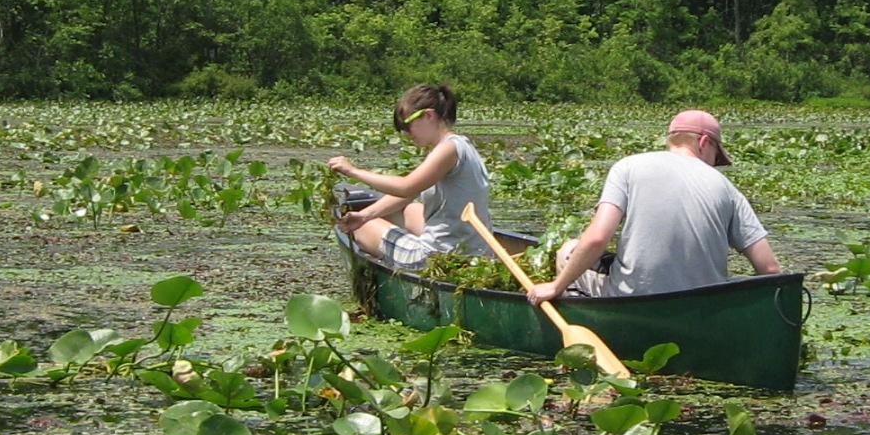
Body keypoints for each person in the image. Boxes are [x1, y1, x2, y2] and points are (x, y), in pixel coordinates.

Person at [528, 109, 782, 301]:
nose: (713, 164)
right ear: (705, 142)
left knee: (568, 250)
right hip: (704, 306)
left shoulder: (628, 166)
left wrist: (555, 286)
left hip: (634, 299)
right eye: (716, 157)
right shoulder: (728, 190)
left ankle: (592, 325)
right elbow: (769, 269)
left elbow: (596, 239)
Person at [330, 83, 492, 271]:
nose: (406, 134)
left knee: (363, 229)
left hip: (439, 259)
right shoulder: (460, 145)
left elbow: (406, 187)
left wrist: (353, 171)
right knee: (410, 209)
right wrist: (364, 215)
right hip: (474, 250)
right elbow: (408, 194)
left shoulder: (448, 149)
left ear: (428, 115)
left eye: (407, 125)